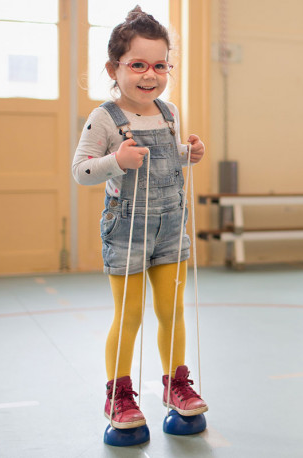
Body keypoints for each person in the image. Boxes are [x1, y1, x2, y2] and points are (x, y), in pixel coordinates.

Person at [72, 5, 208, 429]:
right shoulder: (103, 118)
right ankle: (119, 394)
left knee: (173, 310)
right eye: (138, 65)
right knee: (129, 315)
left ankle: (176, 384)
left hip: (170, 227)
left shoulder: (169, 112)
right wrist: (116, 160)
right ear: (114, 69)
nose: (150, 75)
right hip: (127, 229)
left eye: (160, 65)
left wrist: (189, 154)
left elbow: (164, 162)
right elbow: (81, 171)